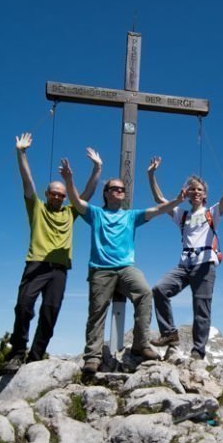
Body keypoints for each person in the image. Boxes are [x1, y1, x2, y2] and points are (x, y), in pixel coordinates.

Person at [59, 156, 186, 376]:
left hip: (126, 268)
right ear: (106, 193)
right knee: (97, 312)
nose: (119, 191)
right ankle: (92, 357)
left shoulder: (131, 216)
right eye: (114, 188)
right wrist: (69, 180)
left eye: (121, 189)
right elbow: (76, 201)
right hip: (100, 269)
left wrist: (177, 200)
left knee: (145, 293)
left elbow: (157, 210)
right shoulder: (96, 214)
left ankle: (140, 345)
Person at [3, 132, 102, 373]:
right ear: (47, 194)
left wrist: (97, 168)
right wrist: (21, 153)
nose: (58, 196)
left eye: (61, 194)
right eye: (54, 193)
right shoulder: (36, 208)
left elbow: (86, 194)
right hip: (36, 264)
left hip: (60, 270)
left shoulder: (70, 212)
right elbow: (27, 182)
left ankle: (35, 357)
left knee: (50, 313)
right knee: (24, 306)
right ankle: (17, 353)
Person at [146, 154, 223, 359]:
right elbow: (160, 200)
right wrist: (151, 175)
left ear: (204, 195)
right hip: (184, 264)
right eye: (192, 189)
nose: (196, 192)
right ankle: (169, 334)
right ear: (186, 193)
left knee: (200, 308)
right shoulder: (182, 215)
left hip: (205, 264)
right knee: (159, 289)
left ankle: (198, 352)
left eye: (199, 190)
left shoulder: (213, 213)